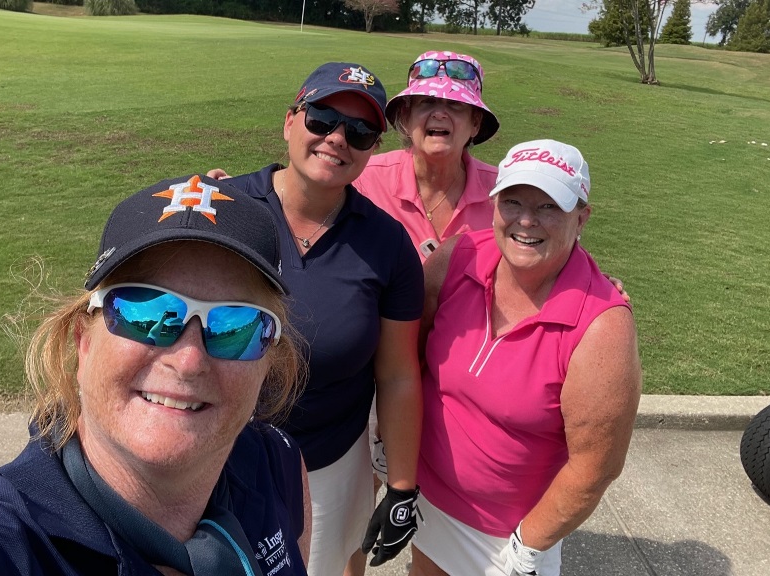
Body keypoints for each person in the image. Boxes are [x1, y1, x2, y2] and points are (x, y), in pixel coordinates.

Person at [0, 174, 312, 576]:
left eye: (237, 326)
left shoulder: (274, 462)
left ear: (270, 357)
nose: (188, 361)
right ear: (81, 341)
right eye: (145, 313)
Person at [223, 63, 425, 575]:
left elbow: (397, 374)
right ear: (291, 120)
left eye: (359, 132)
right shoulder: (222, 208)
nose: (337, 139)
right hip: (212, 454)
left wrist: (401, 485)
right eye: (322, 119)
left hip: (329, 465)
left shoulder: (386, 244)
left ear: (373, 148)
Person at [412, 140, 642, 576]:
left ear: (581, 218)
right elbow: (410, 359)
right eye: (512, 200)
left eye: (549, 206)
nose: (526, 220)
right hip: (428, 498)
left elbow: (597, 466)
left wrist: (529, 544)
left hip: (508, 534)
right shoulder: (454, 258)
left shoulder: (602, 327)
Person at [354, 50, 500, 262]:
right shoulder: (364, 180)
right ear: (406, 117)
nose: (439, 113)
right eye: (427, 102)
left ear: (475, 123)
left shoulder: (503, 192)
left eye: (455, 105)